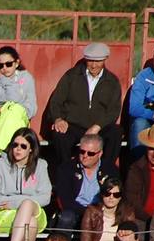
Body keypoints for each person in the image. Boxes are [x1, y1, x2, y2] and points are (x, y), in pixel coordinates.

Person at [46, 41, 123, 170]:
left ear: (105, 60)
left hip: (99, 127)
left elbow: (113, 111)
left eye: (97, 61)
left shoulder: (112, 81)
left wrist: (97, 127)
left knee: (115, 133)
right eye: (90, 61)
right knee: (59, 135)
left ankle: (105, 171)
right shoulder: (71, 76)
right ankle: (67, 171)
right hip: (73, 126)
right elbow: (56, 101)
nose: (93, 65)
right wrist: (58, 119)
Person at [0, 127, 50, 241]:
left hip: (34, 210)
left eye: (23, 146)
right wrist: (24, 201)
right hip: (6, 214)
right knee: (30, 221)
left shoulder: (41, 165)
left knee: (28, 205)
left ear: (31, 149)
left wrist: (16, 201)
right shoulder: (1, 165)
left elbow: (45, 197)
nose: (18, 149)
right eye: (15, 145)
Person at [0, 45, 36, 155]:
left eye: (9, 64)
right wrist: (2, 77)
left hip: (18, 121)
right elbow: (11, 97)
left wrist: (5, 107)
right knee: (14, 110)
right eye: (0, 65)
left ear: (17, 63)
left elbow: (31, 109)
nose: (4, 68)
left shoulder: (26, 78)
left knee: (15, 110)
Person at [53, 132, 109, 231]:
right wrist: (87, 212)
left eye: (90, 153)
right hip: (74, 211)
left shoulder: (110, 169)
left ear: (100, 153)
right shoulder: (66, 168)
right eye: (82, 152)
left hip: (100, 212)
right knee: (66, 217)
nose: (85, 156)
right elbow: (65, 200)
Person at [79, 177, 139, 241]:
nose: (111, 197)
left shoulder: (128, 214)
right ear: (102, 194)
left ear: (121, 197)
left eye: (116, 194)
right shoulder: (91, 212)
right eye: (107, 193)